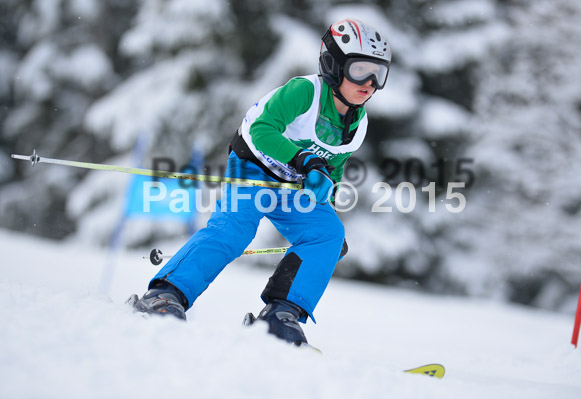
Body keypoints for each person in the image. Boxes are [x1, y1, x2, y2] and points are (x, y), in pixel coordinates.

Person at [129, 19, 392, 346]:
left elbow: (333, 168)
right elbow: (262, 130)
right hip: (253, 168)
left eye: (379, 74)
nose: (369, 83)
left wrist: (326, 195)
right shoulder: (304, 93)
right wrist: (303, 160)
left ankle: (281, 315)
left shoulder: (358, 124)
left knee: (327, 233)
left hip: (294, 185)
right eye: (361, 70)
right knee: (234, 229)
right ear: (334, 65)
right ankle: (165, 294)